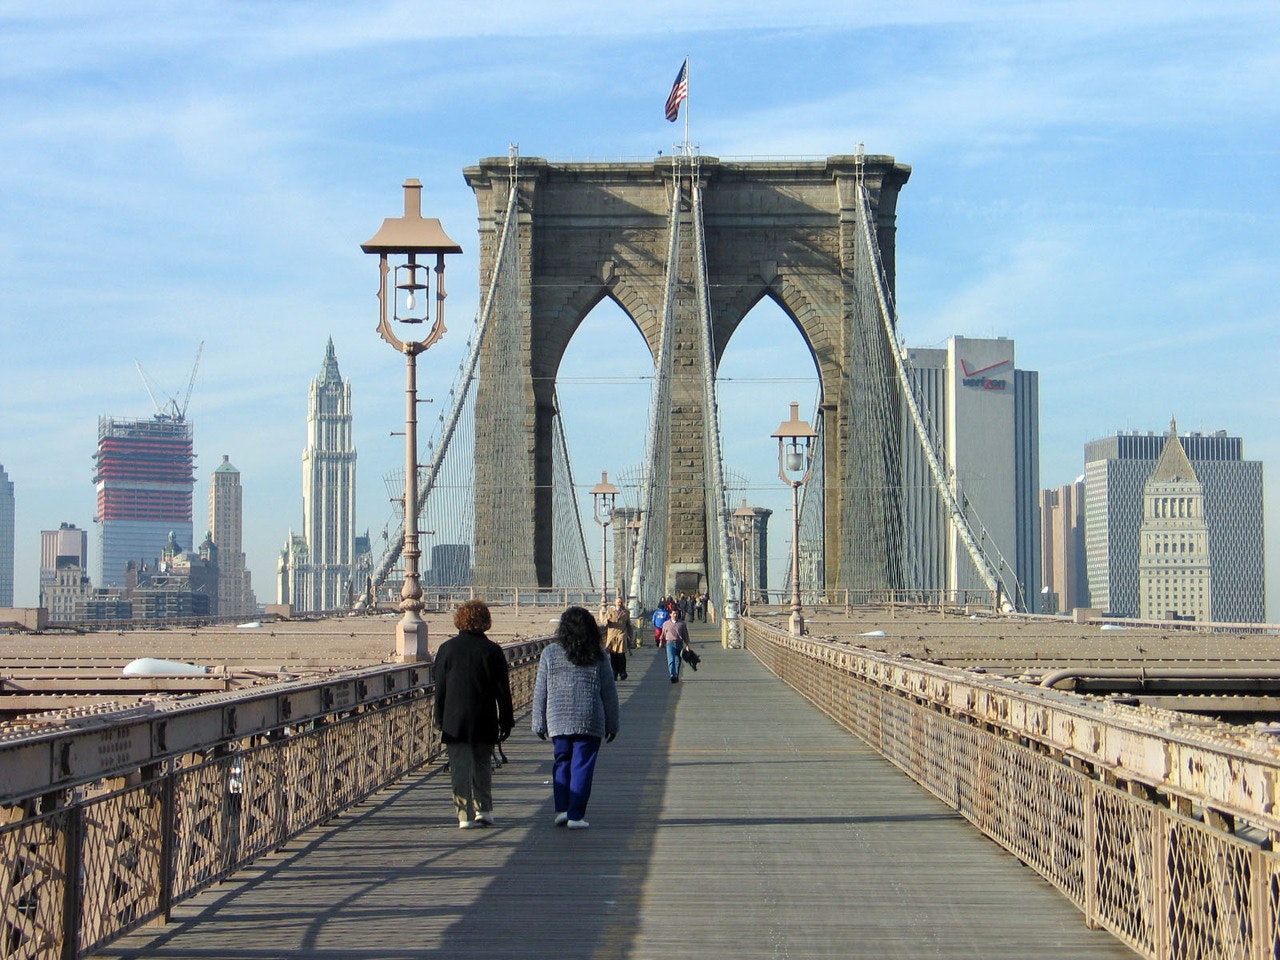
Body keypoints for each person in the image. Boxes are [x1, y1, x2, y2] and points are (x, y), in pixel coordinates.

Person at [531, 606, 620, 830]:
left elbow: (541, 690)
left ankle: (562, 810)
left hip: (558, 718)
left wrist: (538, 723)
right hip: (590, 717)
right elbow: (608, 692)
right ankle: (576, 815)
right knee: (582, 766)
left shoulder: (550, 653)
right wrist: (613, 724)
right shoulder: (598, 654)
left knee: (562, 762)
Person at [433, 599, 514, 829]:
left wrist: (439, 718)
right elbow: (502, 691)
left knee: (459, 768)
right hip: (484, 716)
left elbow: (440, 689)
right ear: (486, 621)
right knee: (482, 764)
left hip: (454, 718)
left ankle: (464, 815)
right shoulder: (493, 650)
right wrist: (506, 719)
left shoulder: (446, 650)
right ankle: (484, 809)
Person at [602, 597, 633, 680]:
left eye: (621, 602)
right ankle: (614, 672)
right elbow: (604, 622)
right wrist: (607, 621)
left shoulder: (626, 612)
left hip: (621, 635)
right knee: (613, 655)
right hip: (612, 636)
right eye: (618, 602)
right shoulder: (610, 611)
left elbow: (628, 625)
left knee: (621, 654)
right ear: (615, 603)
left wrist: (631, 637)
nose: (620, 603)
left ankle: (623, 672)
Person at [660, 606, 690, 683]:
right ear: (670, 614)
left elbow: (685, 635)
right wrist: (661, 641)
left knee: (678, 661)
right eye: (673, 613)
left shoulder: (682, 624)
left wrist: (687, 645)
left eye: (676, 613)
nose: (675, 615)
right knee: (671, 660)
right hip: (670, 643)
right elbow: (663, 633)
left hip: (679, 643)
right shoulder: (666, 624)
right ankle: (672, 675)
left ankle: (676, 674)